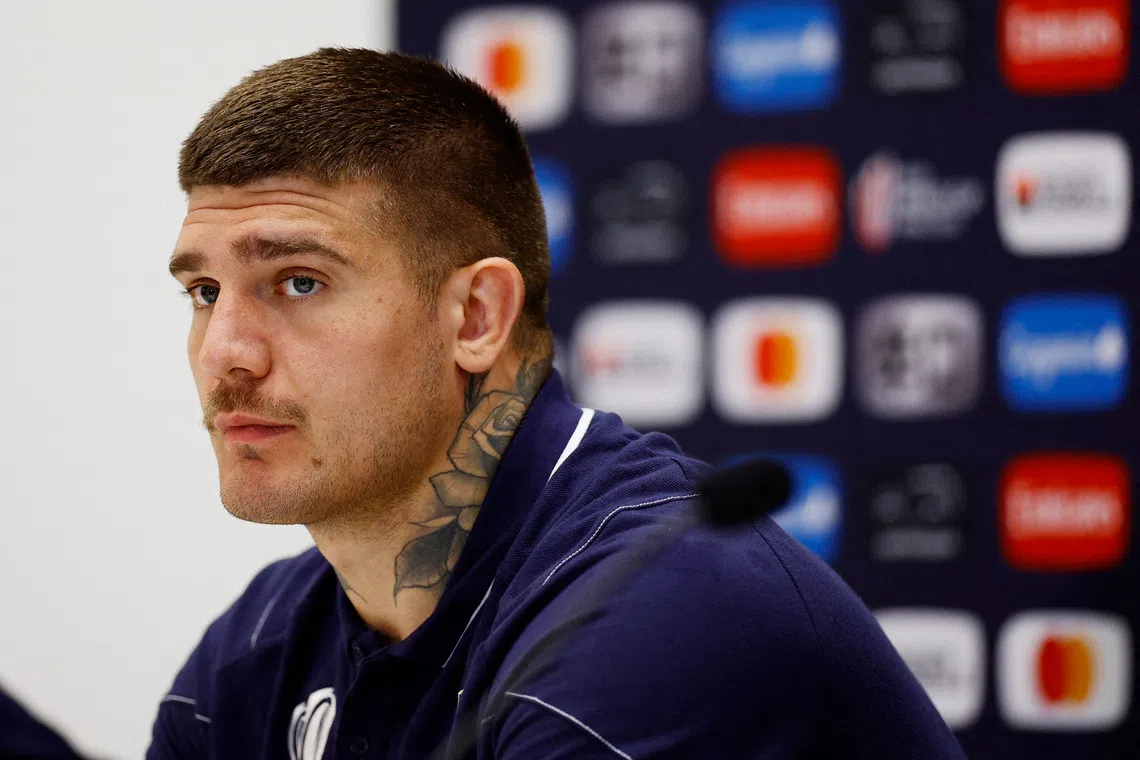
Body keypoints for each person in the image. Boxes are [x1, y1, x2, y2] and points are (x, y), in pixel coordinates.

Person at [148, 48, 966, 760]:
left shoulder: (658, 617)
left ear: (476, 317)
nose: (224, 350)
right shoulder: (250, 658)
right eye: (205, 290)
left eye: (299, 282)